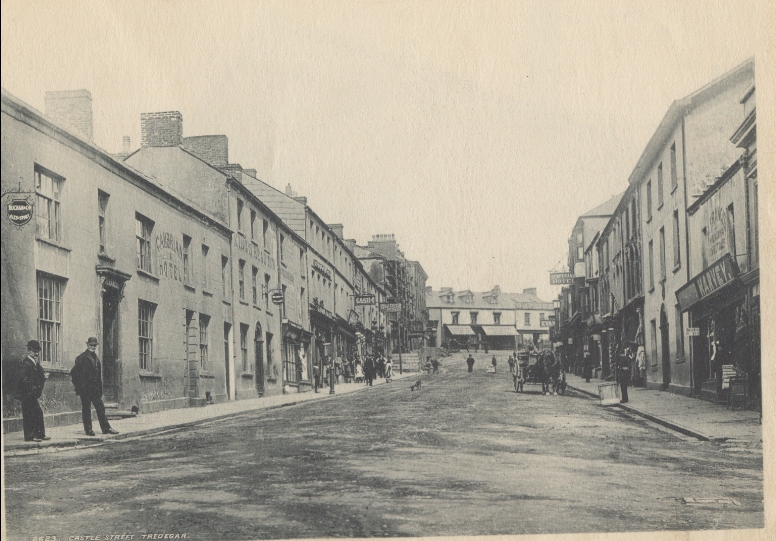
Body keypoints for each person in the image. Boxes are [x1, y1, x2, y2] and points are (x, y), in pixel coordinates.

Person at [71, 337, 119, 436]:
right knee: (86, 409)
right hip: (85, 389)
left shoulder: (96, 358)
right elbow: (74, 374)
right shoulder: (81, 358)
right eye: (91, 345)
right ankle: (88, 429)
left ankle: (106, 428)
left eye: (94, 345)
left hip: (95, 389)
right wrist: (80, 387)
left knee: (100, 407)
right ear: (87, 345)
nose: (93, 347)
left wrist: (99, 388)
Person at [14, 340, 49, 442]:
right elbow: (23, 379)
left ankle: (40, 435)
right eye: (34, 351)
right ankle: (29, 436)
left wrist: (43, 377)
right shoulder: (26, 363)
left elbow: (37, 376)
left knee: (37, 412)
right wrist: (33, 388)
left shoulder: (34, 363)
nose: (36, 353)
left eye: (37, 351)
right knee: (29, 414)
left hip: (31, 393)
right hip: (26, 393)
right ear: (28, 351)